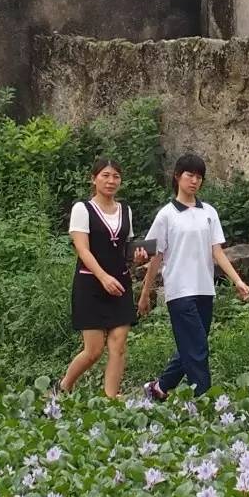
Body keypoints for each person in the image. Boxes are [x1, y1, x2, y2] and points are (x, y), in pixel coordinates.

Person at [138, 153, 249, 400]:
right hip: (179, 292)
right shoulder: (166, 215)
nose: (194, 181)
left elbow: (217, 251)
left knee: (191, 346)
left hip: (204, 290)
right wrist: (145, 293)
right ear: (177, 177)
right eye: (189, 175)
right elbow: (154, 258)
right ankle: (204, 401)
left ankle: (158, 388)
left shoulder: (208, 212)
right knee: (198, 348)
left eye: (199, 177)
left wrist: (238, 280)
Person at [58, 158, 149, 397]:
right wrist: (103, 277)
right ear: (94, 178)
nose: (111, 181)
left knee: (118, 345)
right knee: (94, 350)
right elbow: (82, 249)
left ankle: (110, 399)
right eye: (105, 175)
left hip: (119, 284)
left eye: (116, 176)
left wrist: (137, 257)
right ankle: (64, 385)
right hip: (91, 284)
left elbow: (125, 249)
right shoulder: (82, 209)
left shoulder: (125, 210)